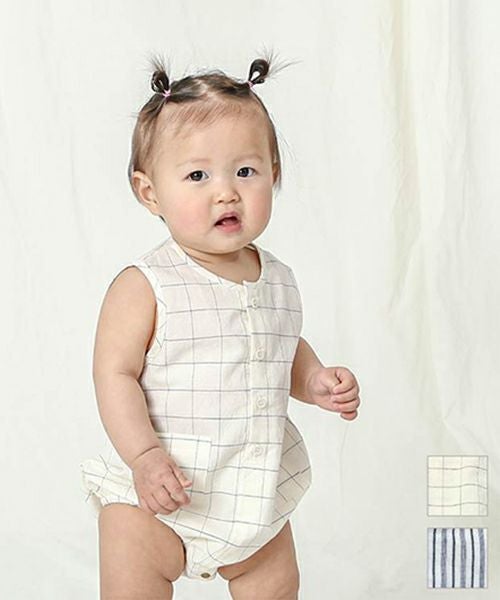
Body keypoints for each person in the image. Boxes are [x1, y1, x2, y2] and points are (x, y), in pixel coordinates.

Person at [79, 50, 361, 600]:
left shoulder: (278, 278)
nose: (226, 191)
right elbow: (113, 374)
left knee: (275, 584)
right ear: (150, 192)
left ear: (274, 175)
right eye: (197, 175)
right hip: (156, 491)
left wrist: (314, 380)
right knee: (133, 581)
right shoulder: (146, 284)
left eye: (245, 171)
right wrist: (143, 456)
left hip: (250, 489)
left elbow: (280, 346)